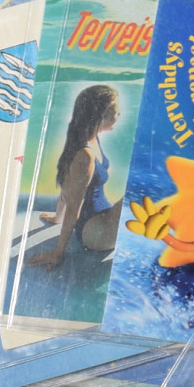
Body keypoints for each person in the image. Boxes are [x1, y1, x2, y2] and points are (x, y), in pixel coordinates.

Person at [28, 86, 120, 268]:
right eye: (116, 111)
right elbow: (73, 205)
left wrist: (57, 217)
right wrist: (58, 252)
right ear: (101, 116)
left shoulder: (89, 138)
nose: (119, 115)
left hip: (102, 217)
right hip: (94, 231)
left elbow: (67, 182)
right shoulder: (84, 156)